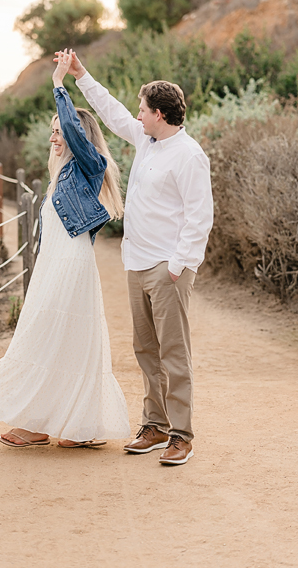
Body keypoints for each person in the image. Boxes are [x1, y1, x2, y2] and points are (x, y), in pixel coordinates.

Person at [0, 49, 131, 449]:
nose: (54, 136)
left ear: (79, 135)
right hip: (53, 265)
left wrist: (59, 83)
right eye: (53, 131)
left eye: (61, 130)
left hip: (72, 267)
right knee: (52, 337)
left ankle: (76, 425)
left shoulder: (89, 166)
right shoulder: (61, 177)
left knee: (54, 337)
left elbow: (74, 128)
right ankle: (46, 423)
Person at [66, 50, 213, 466]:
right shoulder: (147, 143)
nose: (137, 115)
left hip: (168, 270)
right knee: (146, 351)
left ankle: (181, 436)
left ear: (161, 115)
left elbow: (200, 217)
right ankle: (155, 425)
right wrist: (81, 76)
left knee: (174, 353)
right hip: (137, 263)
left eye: (143, 109)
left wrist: (178, 265)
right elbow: (110, 113)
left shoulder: (189, 155)